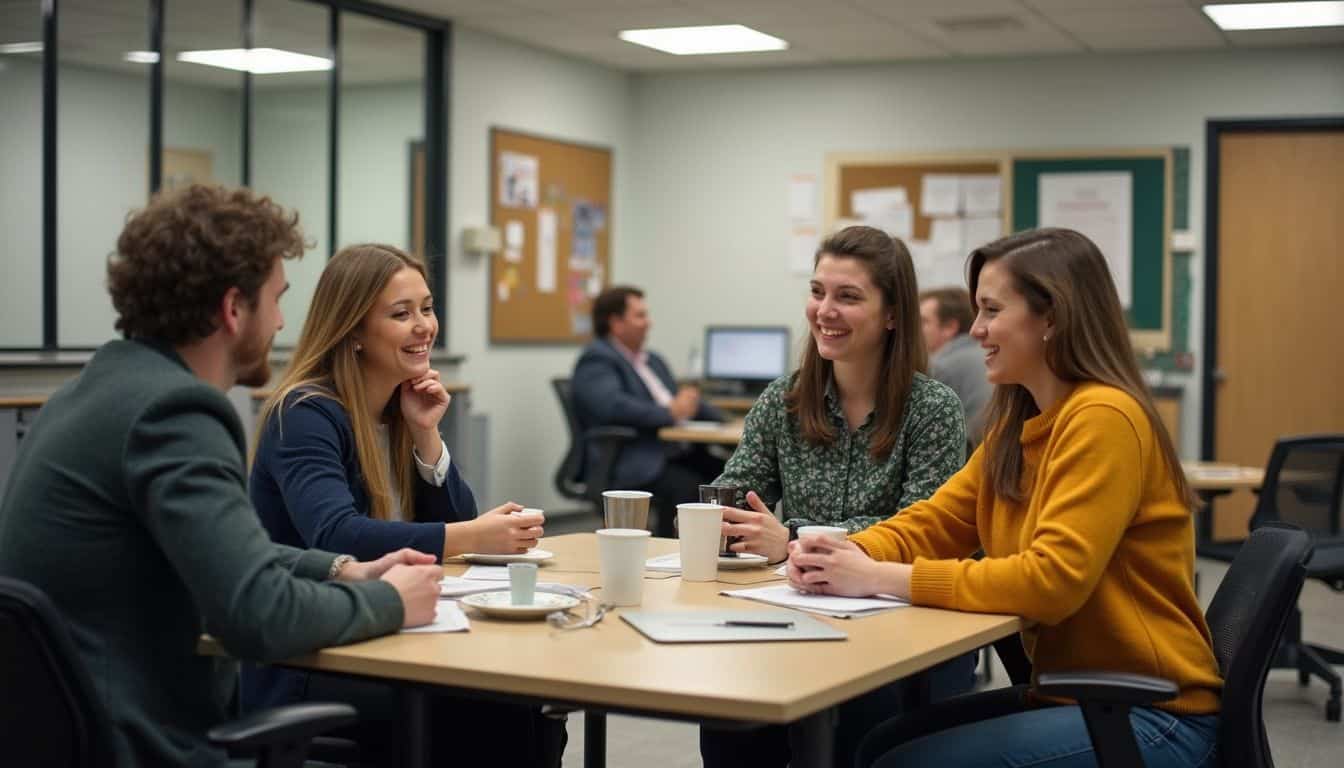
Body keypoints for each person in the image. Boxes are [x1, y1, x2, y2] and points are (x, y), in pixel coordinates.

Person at [0, 185, 442, 768]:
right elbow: (258, 613)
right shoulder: (175, 414)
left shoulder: (92, 392)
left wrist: (342, 568)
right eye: (277, 299)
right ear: (235, 309)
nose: (284, 321)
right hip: (144, 743)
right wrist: (388, 601)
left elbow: (236, 555)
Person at [787, 228, 1221, 768]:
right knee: (873, 745)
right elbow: (938, 520)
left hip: (1151, 713)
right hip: (1076, 695)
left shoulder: (1103, 418)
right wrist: (841, 553)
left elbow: (1050, 582)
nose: (975, 330)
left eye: (992, 310)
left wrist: (877, 576)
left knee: (900, 764)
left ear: (1053, 318)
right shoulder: (1021, 425)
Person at [245, 243, 564, 766]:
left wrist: (426, 436)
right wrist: (473, 536)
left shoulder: (399, 406)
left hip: (391, 635)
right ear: (352, 330)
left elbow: (456, 526)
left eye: (427, 307)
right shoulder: (304, 414)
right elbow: (338, 537)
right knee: (496, 709)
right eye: (401, 314)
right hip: (312, 656)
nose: (424, 326)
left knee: (528, 702)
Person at [700, 225, 971, 768]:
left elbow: (923, 528)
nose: (825, 310)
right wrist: (724, 521)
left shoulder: (932, 408)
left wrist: (791, 538)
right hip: (791, 610)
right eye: (818, 291)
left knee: (861, 720)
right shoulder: (785, 399)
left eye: (848, 297)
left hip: (892, 623)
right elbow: (729, 503)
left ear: (892, 314)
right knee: (730, 714)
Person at [571, 285, 725, 536]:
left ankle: (717, 552)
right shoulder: (597, 359)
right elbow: (612, 406)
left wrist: (726, 419)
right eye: (640, 316)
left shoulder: (651, 360)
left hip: (674, 453)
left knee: (724, 475)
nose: (649, 323)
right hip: (632, 459)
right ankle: (670, 554)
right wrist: (670, 413)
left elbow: (682, 401)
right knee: (685, 487)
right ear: (616, 322)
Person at [920, 286, 991, 444]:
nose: (914, 329)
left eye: (923, 321)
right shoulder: (991, 356)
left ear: (950, 327)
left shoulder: (941, 367)